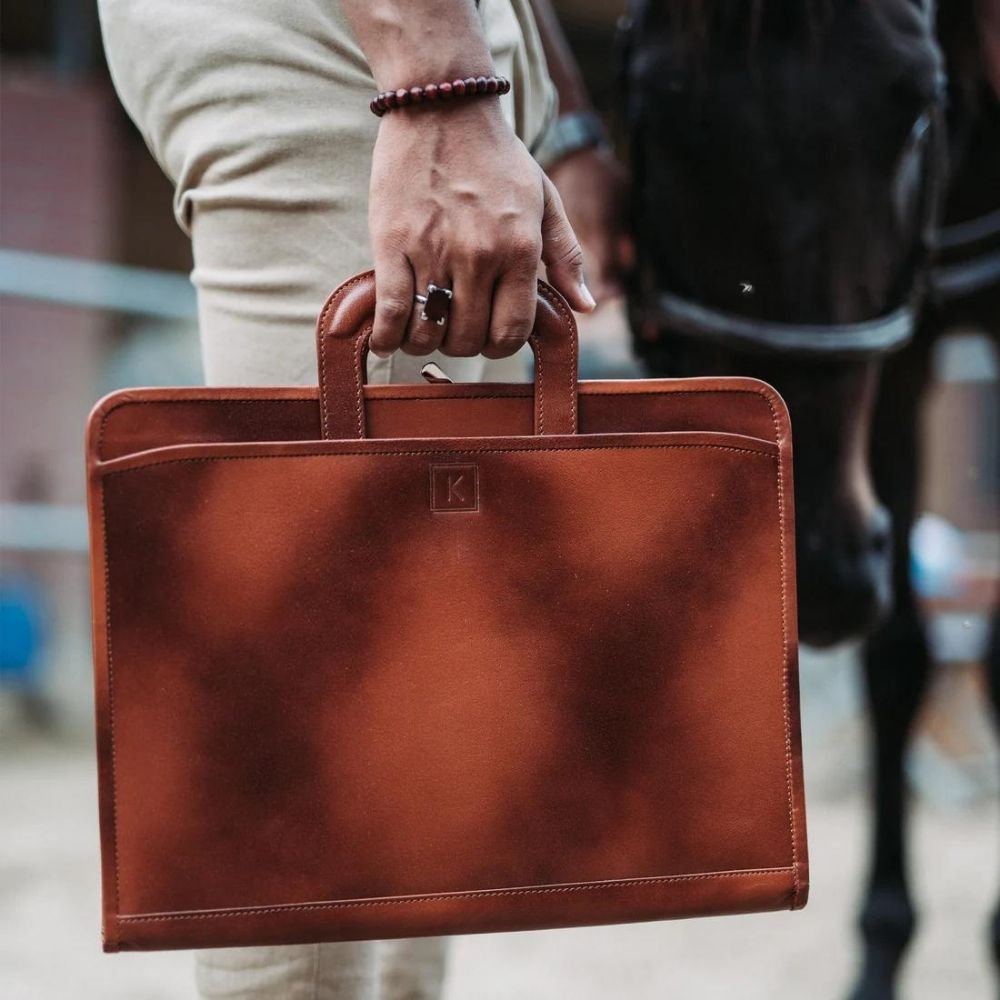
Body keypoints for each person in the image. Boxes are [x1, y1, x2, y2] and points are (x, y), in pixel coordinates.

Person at [96, 1, 627, 997]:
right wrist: (437, 76)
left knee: (401, 701)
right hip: (355, 41)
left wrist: (546, 98)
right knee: (307, 747)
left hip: (438, 44)